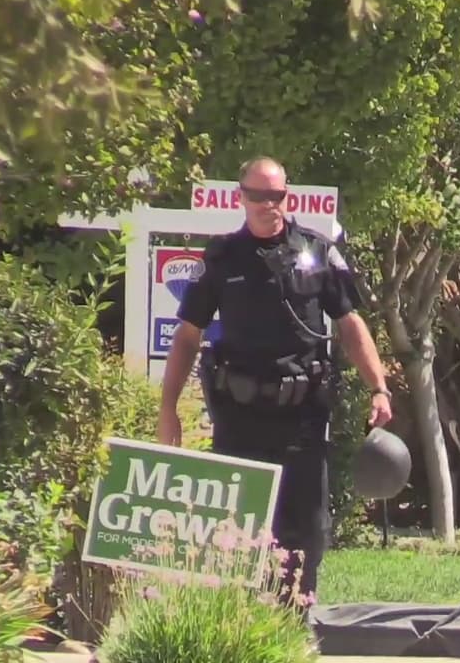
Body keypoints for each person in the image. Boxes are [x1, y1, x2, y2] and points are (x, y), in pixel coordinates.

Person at [158, 157, 393, 607]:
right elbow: (187, 336)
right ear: (240, 197)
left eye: (277, 195)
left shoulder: (316, 252)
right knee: (238, 529)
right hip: (240, 417)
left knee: (306, 530)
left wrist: (378, 387)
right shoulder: (223, 258)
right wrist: (168, 408)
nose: (269, 204)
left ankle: (296, 620)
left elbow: (350, 324)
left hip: (301, 416)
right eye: (258, 195)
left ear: (288, 195)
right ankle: (242, 623)